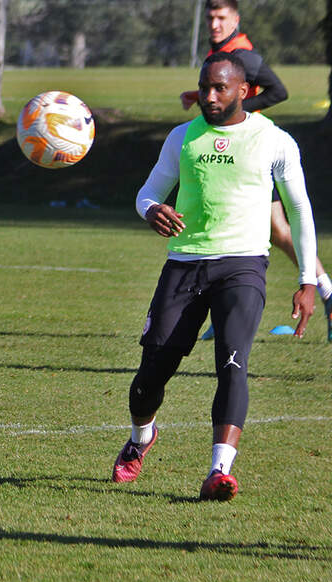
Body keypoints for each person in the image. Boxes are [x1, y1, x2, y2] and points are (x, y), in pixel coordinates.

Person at [113, 51, 316, 501]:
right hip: (185, 264)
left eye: (219, 87)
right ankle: (142, 437)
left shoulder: (274, 140)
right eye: (205, 86)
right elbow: (147, 194)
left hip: (243, 265)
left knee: (233, 364)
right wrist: (153, 211)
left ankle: (219, 471)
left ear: (244, 91)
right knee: (151, 374)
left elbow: (300, 211)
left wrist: (308, 279)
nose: (208, 95)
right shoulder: (182, 137)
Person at [180, 0, 332, 340]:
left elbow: (279, 91)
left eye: (222, 18)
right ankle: (324, 294)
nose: (215, 24)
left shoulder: (243, 54)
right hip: (234, 151)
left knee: (255, 229)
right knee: (276, 232)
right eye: (210, 18)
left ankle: (323, 292)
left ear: (236, 20)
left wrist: (241, 106)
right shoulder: (225, 55)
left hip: (250, 153)